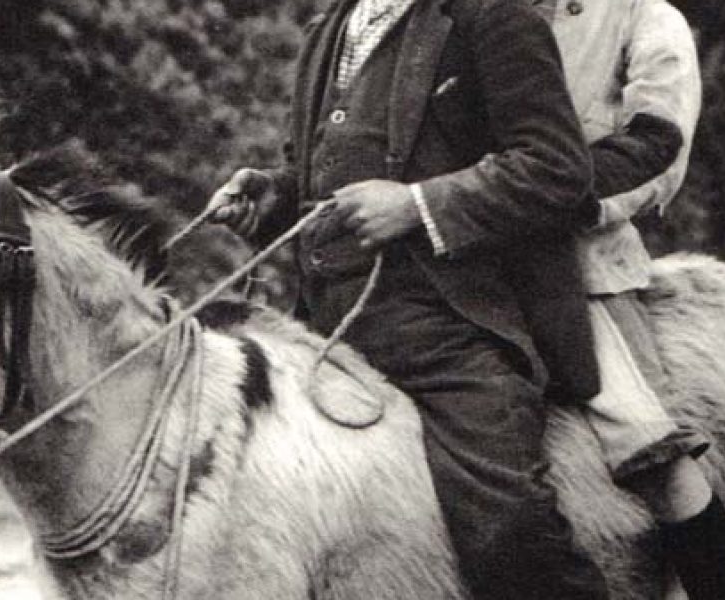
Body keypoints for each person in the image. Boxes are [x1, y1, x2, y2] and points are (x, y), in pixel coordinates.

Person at [204, 0, 611, 597]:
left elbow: (557, 168)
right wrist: (274, 200)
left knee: (505, 526)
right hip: (322, 340)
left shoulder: (494, 16)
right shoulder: (328, 29)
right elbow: (320, 183)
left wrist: (417, 206)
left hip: (455, 336)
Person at [539, 1, 725, 598]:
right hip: (467, 257)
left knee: (644, 443)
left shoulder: (645, 18)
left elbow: (660, 149)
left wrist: (564, 199)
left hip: (583, 265)